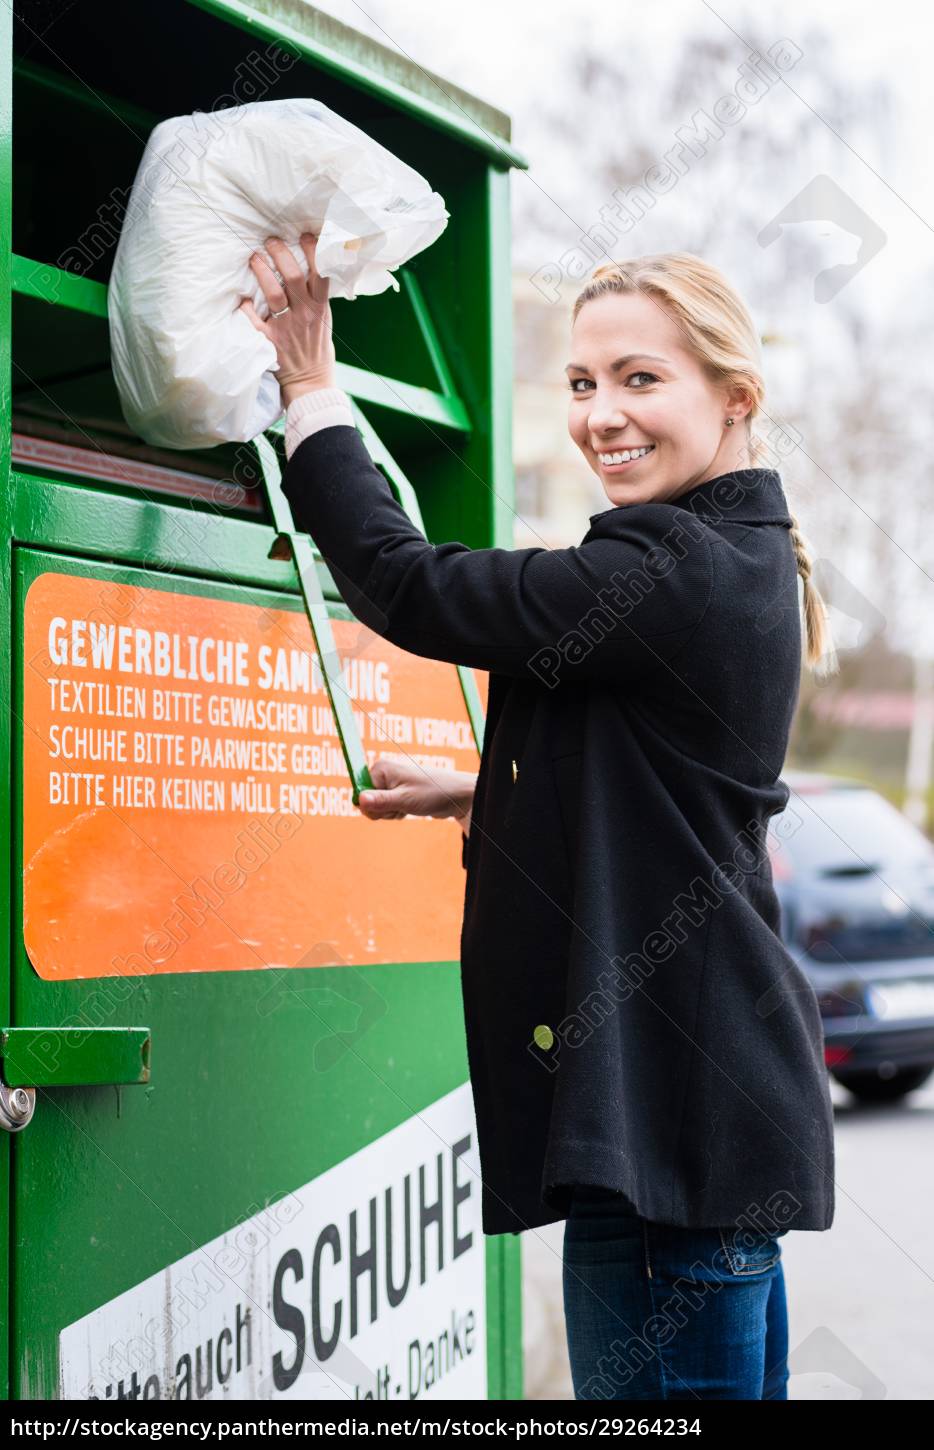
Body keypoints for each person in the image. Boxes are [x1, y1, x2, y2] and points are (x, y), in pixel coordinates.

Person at [240, 238, 838, 1401]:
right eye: (579, 383)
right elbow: (676, 788)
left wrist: (312, 389)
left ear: (735, 398)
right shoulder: (739, 557)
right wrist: (485, 789)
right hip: (701, 1145)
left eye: (637, 378)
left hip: (672, 1155)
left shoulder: (672, 564)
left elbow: (408, 581)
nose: (600, 415)